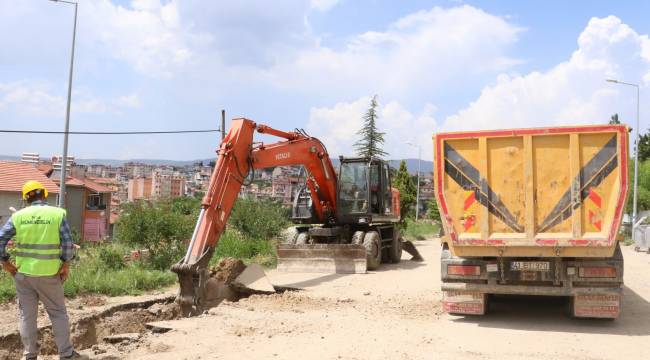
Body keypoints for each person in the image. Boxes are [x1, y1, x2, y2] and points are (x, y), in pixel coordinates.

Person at [0, 181, 88, 360]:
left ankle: (29, 355)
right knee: (57, 313)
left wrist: (5, 262)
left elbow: (0, 239)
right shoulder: (57, 214)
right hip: (50, 274)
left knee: (26, 316)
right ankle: (66, 354)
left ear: (25, 198)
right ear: (45, 195)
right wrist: (66, 264)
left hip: (23, 274)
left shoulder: (19, 216)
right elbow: (67, 244)